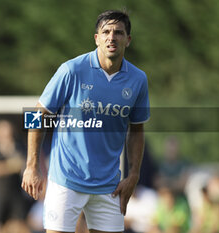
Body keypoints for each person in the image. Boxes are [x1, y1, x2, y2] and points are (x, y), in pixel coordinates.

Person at [22, 10, 150, 233]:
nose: (112, 37)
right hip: (66, 180)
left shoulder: (138, 79)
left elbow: (137, 129)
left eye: (118, 33)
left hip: (109, 185)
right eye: (106, 32)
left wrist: (134, 175)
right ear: (96, 38)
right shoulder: (72, 70)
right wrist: (32, 166)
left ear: (128, 40)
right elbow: (36, 115)